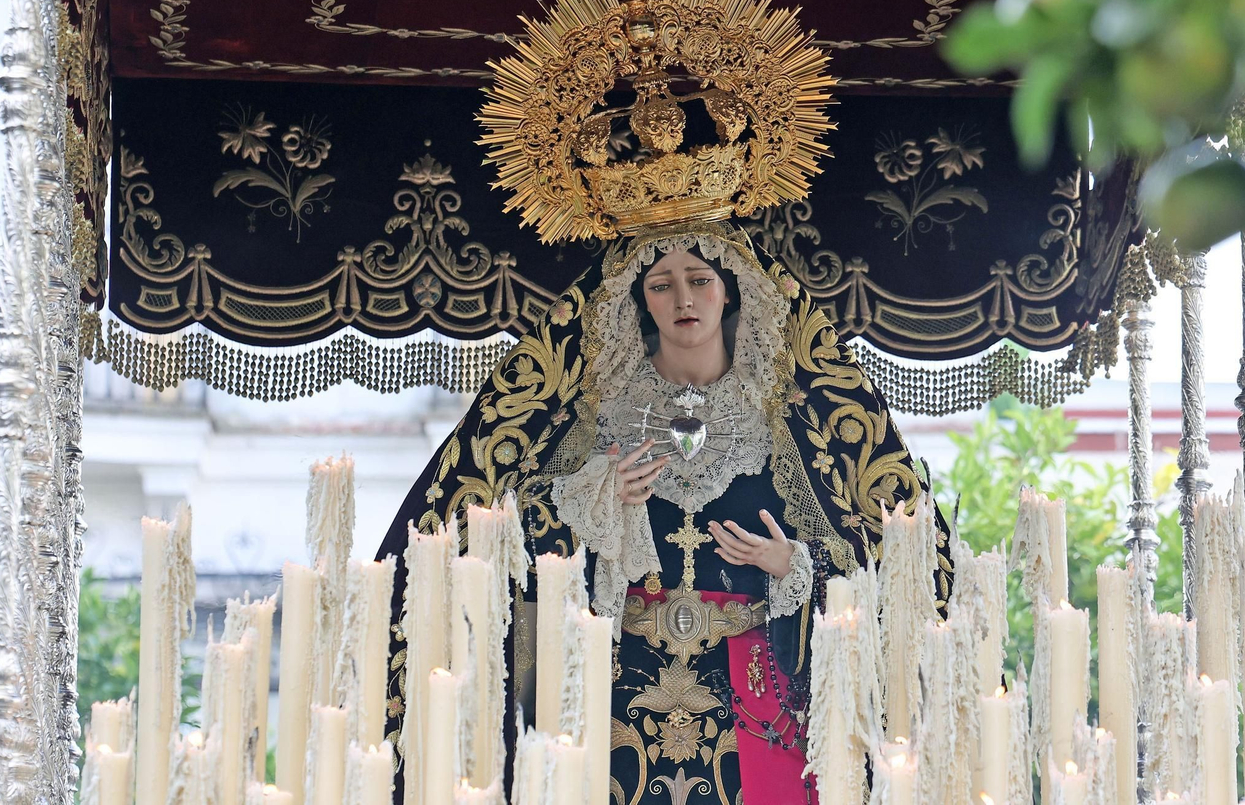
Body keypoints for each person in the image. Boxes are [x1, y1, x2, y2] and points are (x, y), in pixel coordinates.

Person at [377, 221, 950, 804]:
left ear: (729, 289)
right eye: (661, 284)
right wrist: (591, 503)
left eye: (699, 279)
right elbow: (499, 536)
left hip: (756, 693)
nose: (683, 299)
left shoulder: (788, 414)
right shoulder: (595, 418)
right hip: (617, 694)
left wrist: (795, 565)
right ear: (639, 298)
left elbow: (882, 556)